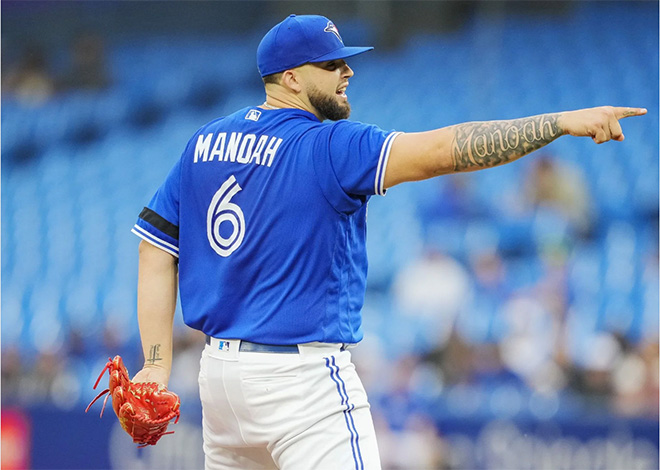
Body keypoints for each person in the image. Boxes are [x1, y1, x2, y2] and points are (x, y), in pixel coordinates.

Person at [128, 14, 646, 470]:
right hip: (302, 380)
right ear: (290, 78)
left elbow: (155, 248)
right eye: (331, 64)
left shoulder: (205, 143)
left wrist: (155, 362)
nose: (347, 71)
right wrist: (557, 123)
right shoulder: (330, 144)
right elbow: (447, 151)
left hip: (220, 383)